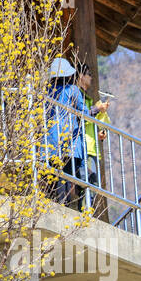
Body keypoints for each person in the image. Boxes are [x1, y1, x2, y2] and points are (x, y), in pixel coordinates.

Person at [45, 58, 91, 210]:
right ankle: (72, 209)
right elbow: (84, 113)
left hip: (49, 143)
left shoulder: (46, 92)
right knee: (71, 176)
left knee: (56, 178)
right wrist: (95, 111)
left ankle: (57, 206)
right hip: (70, 141)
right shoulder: (72, 90)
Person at [75, 62, 111, 217]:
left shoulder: (88, 99)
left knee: (92, 181)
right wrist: (97, 109)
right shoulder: (75, 94)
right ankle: (83, 213)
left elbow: (89, 123)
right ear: (81, 76)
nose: (91, 78)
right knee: (85, 180)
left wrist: (99, 135)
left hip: (91, 145)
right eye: (89, 75)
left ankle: (86, 212)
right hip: (82, 146)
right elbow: (81, 116)